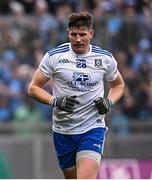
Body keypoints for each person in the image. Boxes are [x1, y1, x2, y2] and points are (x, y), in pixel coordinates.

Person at [28, 12, 125, 179]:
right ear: (68, 33)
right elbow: (33, 88)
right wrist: (55, 101)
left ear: (91, 34)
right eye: (74, 34)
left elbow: (118, 85)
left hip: (92, 128)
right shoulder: (54, 57)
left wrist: (109, 102)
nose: (78, 39)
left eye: (82, 34)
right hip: (63, 130)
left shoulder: (105, 58)